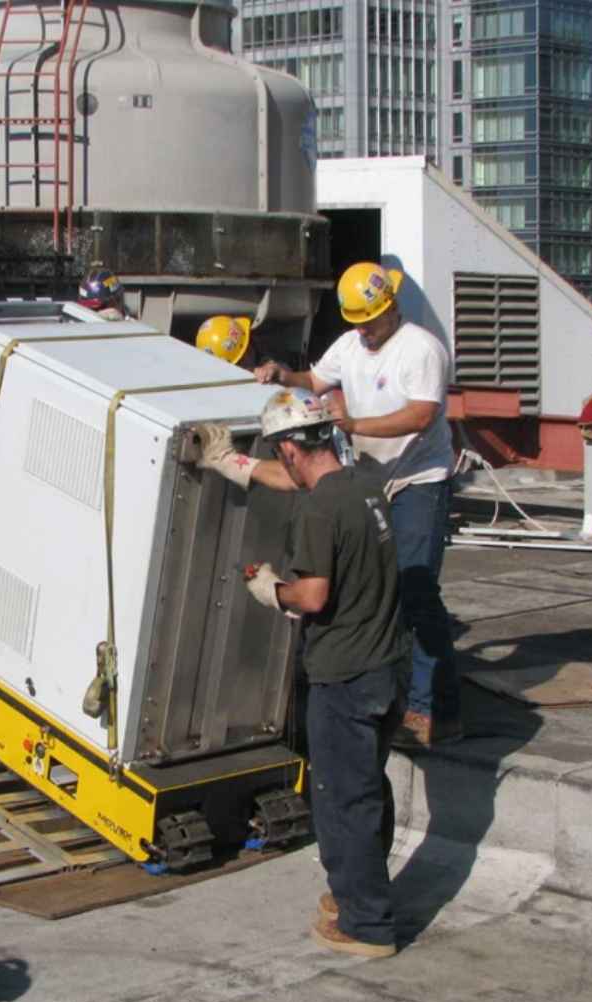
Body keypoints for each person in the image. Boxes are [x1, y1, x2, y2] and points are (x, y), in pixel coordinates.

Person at [195, 388, 407, 956]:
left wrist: (269, 588)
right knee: (368, 788)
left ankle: (367, 926)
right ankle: (357, 892)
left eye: (279, 450)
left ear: (290, 446)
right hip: (387, 666)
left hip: (346, 675)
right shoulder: (361, 484)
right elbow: (296, 479)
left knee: (343, 799)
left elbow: (312, 596)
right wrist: (229, 461)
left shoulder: (320, 509)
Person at [251, 262, 459, 749]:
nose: (364, 330)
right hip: (373, 480)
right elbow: (315, 379)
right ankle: (401, 691)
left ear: (391, 308)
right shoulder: (350, 345)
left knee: (415, 588)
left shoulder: (420, 349)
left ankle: (432, 711)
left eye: (370, 320)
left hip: (416, 480)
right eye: (357, 322)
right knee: (376, 587)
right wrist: (286, 374)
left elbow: (422, 415)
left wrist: (354, 425)